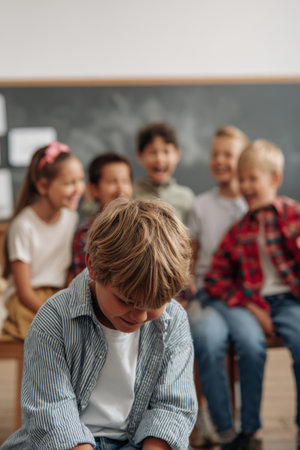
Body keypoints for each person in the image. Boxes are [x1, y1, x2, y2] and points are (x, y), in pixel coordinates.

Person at [1, 198, 197, 450]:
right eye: (127, 300)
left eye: (154, 304)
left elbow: (173, 407)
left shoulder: (174, 320)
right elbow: (52, 414)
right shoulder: (53, 321)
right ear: (92, 265)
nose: (139, 316)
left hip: (141, 442)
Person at [204, 139, 300, 450]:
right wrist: (248, 304)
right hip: (257, 304)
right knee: (251, 350)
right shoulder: (239, 230)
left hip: (289, 302)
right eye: (240, 179)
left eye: (252, 179)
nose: (244, 186)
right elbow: (214, 277)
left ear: (274, 179)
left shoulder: (291, 215)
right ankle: (249, 429)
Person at [187, 125, 249, 447]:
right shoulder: (200, 205)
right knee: (208, 342)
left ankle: (240, 420)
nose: (220, 160)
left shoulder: (251, 205)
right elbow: (190, 259)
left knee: (246, 344)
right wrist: (188, 294)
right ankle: (208, 418)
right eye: (215, 154)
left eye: (229, 154)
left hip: (243, 299)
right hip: (206, 295)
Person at [0, 142, 85, 339]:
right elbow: (23, 292)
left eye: (80, 180)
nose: (78, 189)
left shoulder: (70, 218)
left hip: (58, 295)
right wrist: (55, 314)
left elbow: (67, 272)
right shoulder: (23, 226)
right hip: (26, 301)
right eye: (68, 183)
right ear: (42, 186)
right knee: (47, 335)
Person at [71, 152, 133, 277]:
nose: (121, 189)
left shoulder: (144, 227)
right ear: (94, 190)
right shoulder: (86, 235)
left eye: (125, 181)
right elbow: (85, 284)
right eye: (112, 182)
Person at [133, 121, 195, 225]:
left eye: (166, 151)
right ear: (140, 156)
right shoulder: (130, 195)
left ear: (177, 154)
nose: (159, 159)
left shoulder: (187, 198)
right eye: (152, 152)